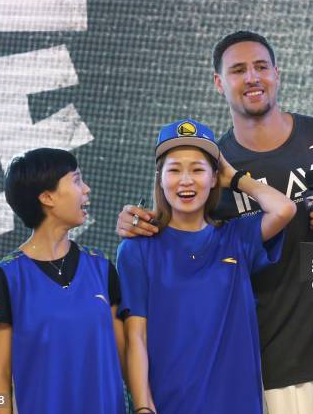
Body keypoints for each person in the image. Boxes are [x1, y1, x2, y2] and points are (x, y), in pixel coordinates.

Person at [117, 31, 313, 413]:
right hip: (271, 366)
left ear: (276, 74)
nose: (252, 78)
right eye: (237, 70)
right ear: (219, 83)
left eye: (260, 67)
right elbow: (175, 224)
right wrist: (134, 221)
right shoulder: (213, 170)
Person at [118, 119, 295, 414]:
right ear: (159, 178)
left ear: (215, 178)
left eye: (198, 169)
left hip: (238, 404)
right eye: (174, 170)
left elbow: (284, 208)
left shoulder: (237, 237)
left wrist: (236, 178)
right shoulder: (137, 249)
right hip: (170, 403)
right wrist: (142, 407)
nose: (185, 180)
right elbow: (136, 337)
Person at [0, 148, 125, 414]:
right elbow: (0, 378)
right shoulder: (5, 275)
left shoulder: (101, 267)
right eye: (76, 180)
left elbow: (127, 358)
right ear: (47, 197)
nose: (86, 189)